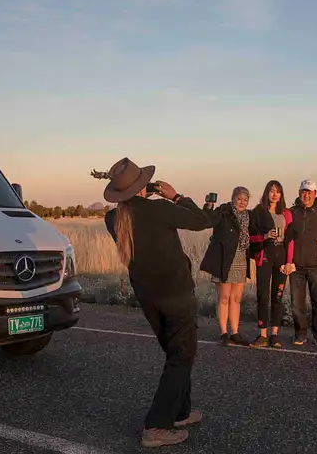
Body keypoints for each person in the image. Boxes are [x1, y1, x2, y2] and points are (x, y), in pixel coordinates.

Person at [101, 157, 216, 448]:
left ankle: (180, 412)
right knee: (182, 357)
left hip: (149, 298)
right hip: (176, 294)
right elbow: (202, 221)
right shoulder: (160, 209)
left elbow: (133, 213)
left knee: (177, 354)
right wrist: (176, 196)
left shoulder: (113, 219)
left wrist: (144, 197)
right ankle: (156, 425)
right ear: (143, 187)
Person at [199, 186, 254, 346]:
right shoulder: (223, 211)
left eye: (245, 200)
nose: (242, 202)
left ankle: (235, 332)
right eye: (239, 199)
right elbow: (208, 220)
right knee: (224, 298)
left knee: (236, 298)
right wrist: (208, 206)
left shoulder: (248, 216)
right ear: (233, 198)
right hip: (224, 259)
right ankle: (223, 332)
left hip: (240, 258)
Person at [282, 179, 317, 346]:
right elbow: (285, 240)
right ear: (299, 193)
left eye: (309, 192)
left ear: (315, 194)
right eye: (303, 191)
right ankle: (300, 334)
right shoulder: (291, 213)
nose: (306, 195)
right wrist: (286, 262)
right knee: (297, 304)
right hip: (296, 267)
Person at [248, 180, 294, 349]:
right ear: (266, 193)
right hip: (264, 254)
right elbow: (250, 237)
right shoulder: (258, 212)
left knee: (278, 295)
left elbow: (290, 240)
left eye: (278, 191)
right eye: (271, 191)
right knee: (262, 294)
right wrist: (264, 236)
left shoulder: (286, 214)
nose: (274, 194)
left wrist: (289, 261)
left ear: (281, 194)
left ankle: (274, 334)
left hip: (281, 256)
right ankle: (262, 334)